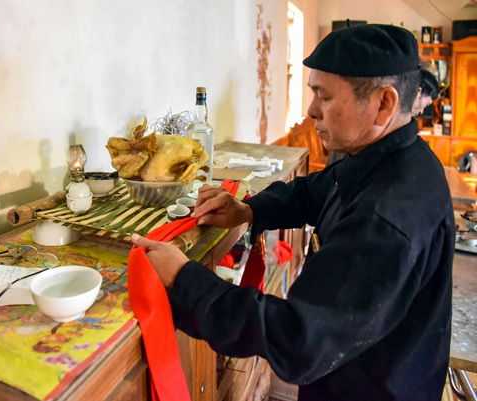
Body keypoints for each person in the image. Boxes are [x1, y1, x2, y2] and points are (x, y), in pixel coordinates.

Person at [131, 24, 454, 401]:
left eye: (324, 97)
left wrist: (184, 279)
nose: (311, 110)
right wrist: (246, 210)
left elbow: (298, 338)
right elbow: (316, 191)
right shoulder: (387, 157)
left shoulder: (385, 216)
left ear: (383, 103)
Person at [327, 68, 440, 165]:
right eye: (426, 104)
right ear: (418, 92)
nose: (421, 111)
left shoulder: (396, 117)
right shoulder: (389, 115)